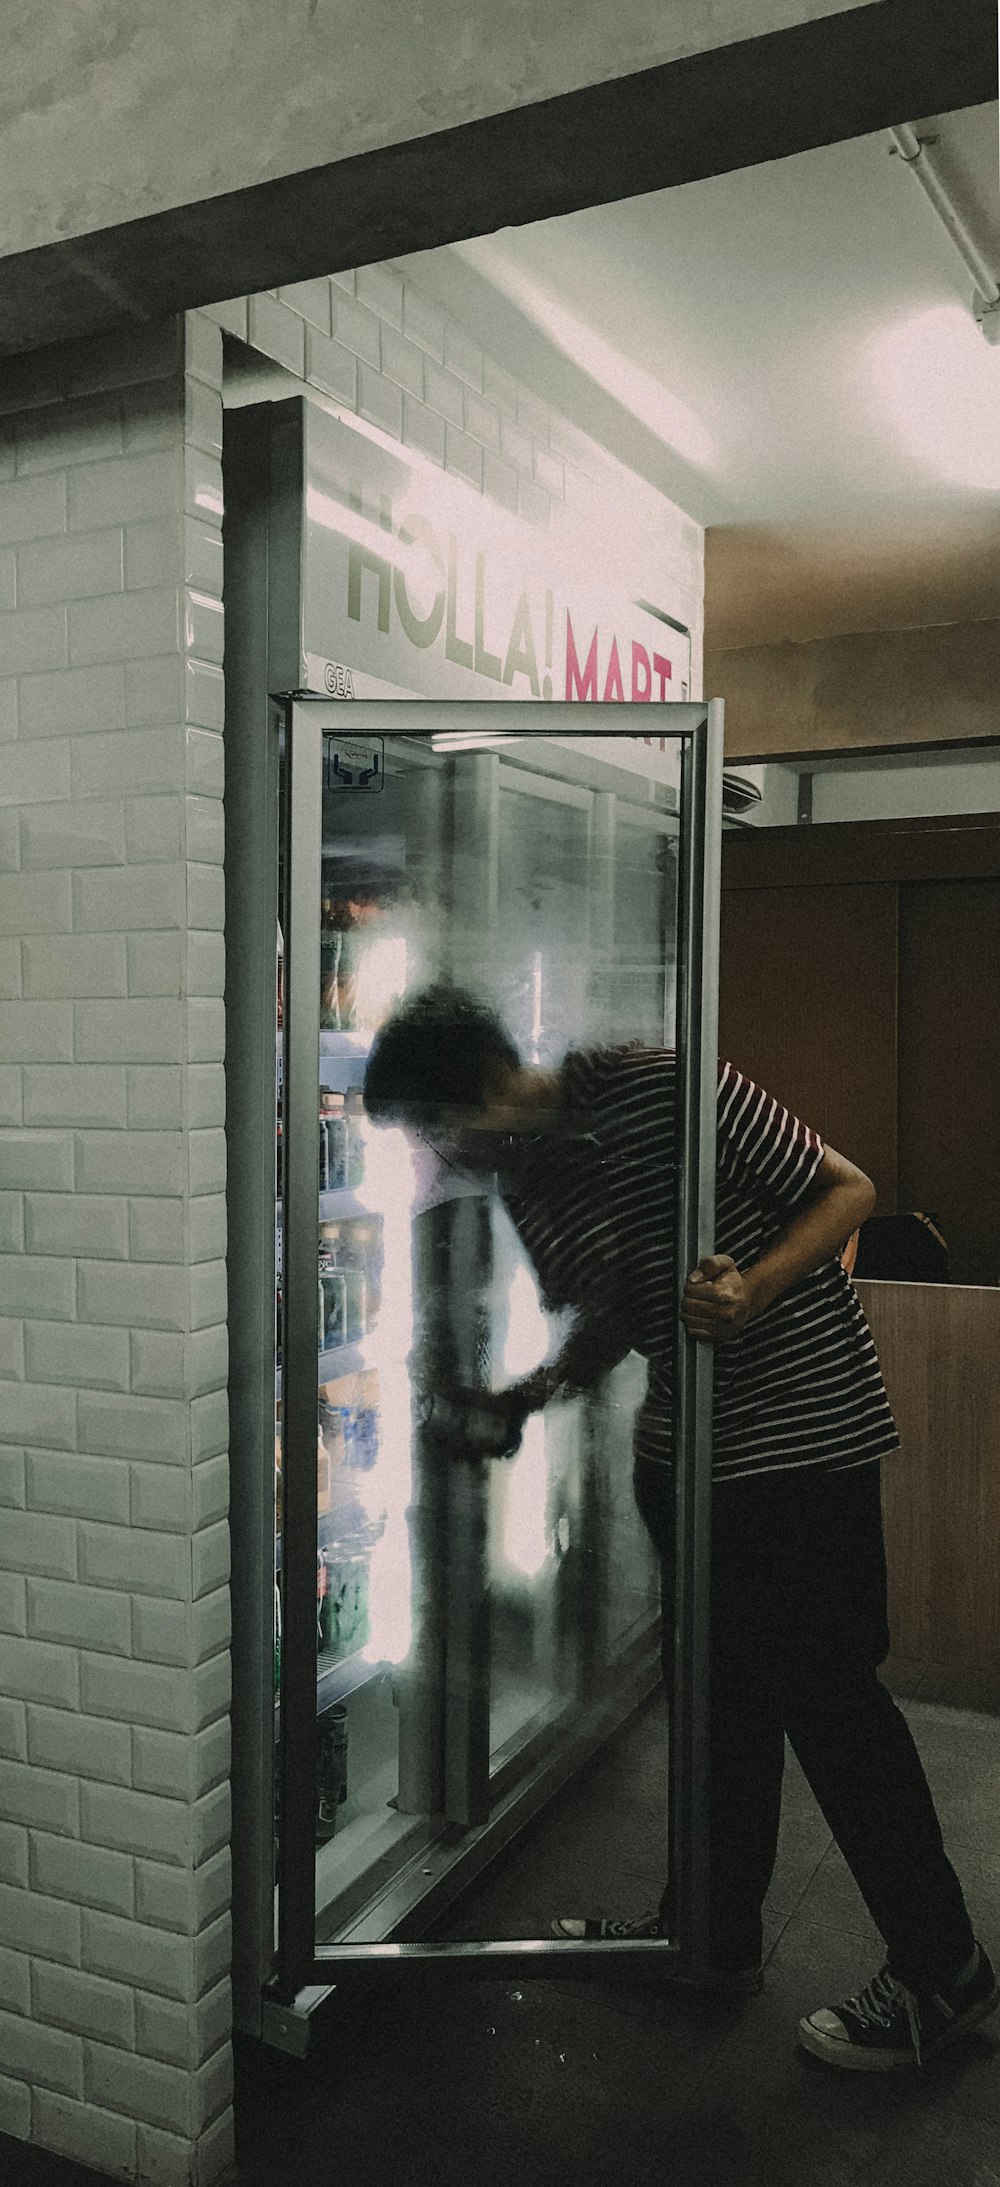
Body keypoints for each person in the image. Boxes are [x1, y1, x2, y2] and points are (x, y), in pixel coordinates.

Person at [363, 985, 997, 2073]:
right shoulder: (530, 1175)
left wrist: (747, 1290)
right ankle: (706, 1940)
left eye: (429, 1131)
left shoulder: (659, 1082)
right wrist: (530, 1393)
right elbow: (621, 1311)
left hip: (799, 1446)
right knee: (718, 1715)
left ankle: (943, 1970)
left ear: (474, 1091)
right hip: (690, 1462)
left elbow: (846, 1191)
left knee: (834, 1709)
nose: (436, 1159)